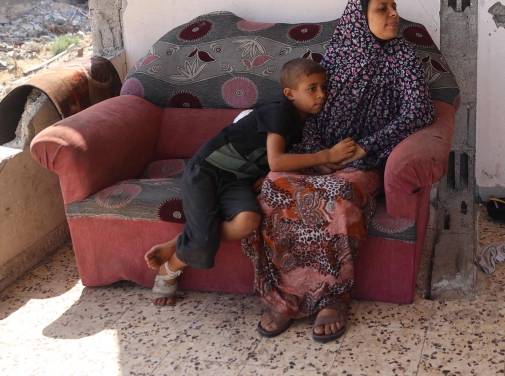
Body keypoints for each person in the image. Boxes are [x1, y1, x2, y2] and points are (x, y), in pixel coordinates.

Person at [245, 0, 435, 342]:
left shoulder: (402, 57)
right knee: (274, 188)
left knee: (340, 195)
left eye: (394, 6)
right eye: (382, 8)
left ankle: (333, 298)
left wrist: (364, 147)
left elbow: (420, 111)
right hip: (322, 157)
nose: (394, 14)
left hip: (366, 161)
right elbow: (309, 115)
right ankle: (285, 296)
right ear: (358, 18)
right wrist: (319, 157)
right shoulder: (334, 57)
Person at [143, 57, 362, 306]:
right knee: (202, 239)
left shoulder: (303, 121)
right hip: (205, 173)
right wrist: (327, 155)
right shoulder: (280, 110)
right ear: (289, 93)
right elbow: (277, 160)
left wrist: (267, 174)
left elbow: (270, 160)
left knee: (248, 221)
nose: (321, 94)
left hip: (237, 180)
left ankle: (176, 243)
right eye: (312, 88)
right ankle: (170, 270)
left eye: (324, 87)